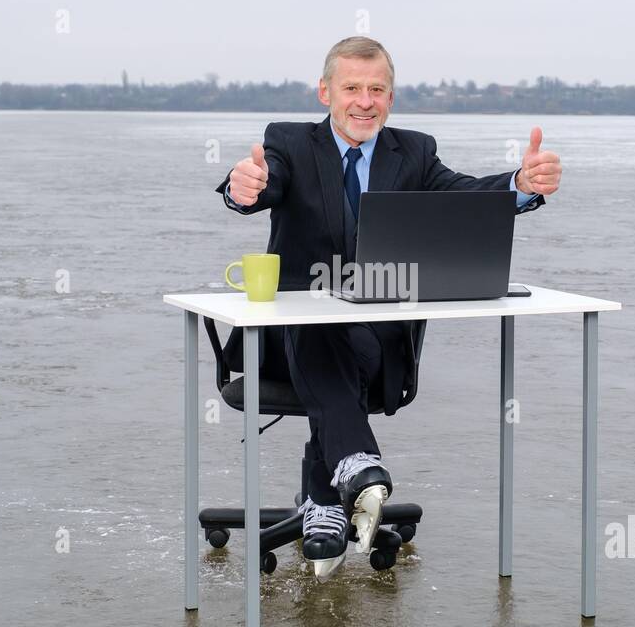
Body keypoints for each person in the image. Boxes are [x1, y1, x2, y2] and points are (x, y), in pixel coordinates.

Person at [215, 36, 563, 579]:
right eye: (351, 87)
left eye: (377, 89)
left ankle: (334, 491)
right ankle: (349, 476)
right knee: (317, 313)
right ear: (325, 92)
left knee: (336, 326)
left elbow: (463, 195)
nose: (364, 101)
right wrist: (244, 189)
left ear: (391, 99)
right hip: (289, 348)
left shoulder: (415, 153)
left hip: (378, 350)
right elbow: (262, 185)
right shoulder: (289, 143)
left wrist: (518, 186)